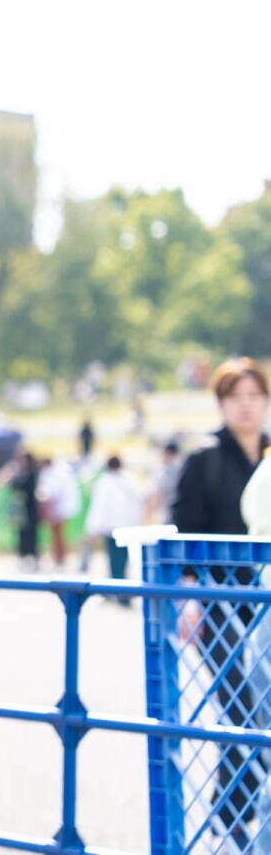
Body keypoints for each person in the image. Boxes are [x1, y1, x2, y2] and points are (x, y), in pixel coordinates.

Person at [170, 357, 269, 848]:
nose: (247, 407)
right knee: (243, 712)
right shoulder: (205, 458)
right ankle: (227, 823)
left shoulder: (269, 456)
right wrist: (188, 597)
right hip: (217, 603)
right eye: (236, 397)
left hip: (264, 604)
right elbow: (181, 530)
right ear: (221, 403)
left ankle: (246, 823)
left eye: (255, 396)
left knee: (262, 715)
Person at [78, 455, 140, 578]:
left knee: (114, 558)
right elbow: (136, 505)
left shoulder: (105, 482)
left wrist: (92, 528)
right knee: (123, 557)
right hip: (126, 526)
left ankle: (117, 584)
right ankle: (122, 584)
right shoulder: (128, 480)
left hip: (111, 528)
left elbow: (99, 506)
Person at [37, 456, 80, 569]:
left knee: (57, 536)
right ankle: (59, 557)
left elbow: (50, 493)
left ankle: (59, 558)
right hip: (59, 509)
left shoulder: (52, 475)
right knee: (58, 536)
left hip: (56, 510)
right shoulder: (60, 473)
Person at [7, 450, 42, 572]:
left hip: (31, 509)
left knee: (32, 536)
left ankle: (33, 559)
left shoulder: (32, 473)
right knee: (22, 535)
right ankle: (24, 559)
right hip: (22, 510)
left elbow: (25, 488)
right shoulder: (20, 472)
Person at [145, 441, 182, 525]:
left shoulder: (165, 472)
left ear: (168, 453)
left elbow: (158, 494)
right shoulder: (182, 468)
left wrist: (148, 514)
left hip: (168, 515)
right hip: (180, 515)